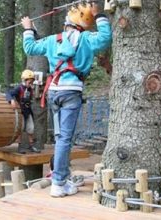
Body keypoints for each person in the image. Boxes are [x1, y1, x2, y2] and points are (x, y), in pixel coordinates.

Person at [21, 2, 112, 197]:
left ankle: (61, 176)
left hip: (54, 92)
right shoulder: (87, 38)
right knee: (64, 139)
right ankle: (59, 182)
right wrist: (100, 16)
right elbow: (105, 39)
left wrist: (29, 29)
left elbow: (30, 47)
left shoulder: (54, 40)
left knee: (60, 137)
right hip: (71, 93)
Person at [6, 69, 40, 154]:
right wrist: (12, 101)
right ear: (25, 80)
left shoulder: (30, 89)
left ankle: (32, 146)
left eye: (32, 81)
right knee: (20, 130)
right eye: (30, 81)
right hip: (21, 112)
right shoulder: (19, 88)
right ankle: (19, 147)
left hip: (28, 111)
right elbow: (9, 93)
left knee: (31, 129)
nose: (31, 83)